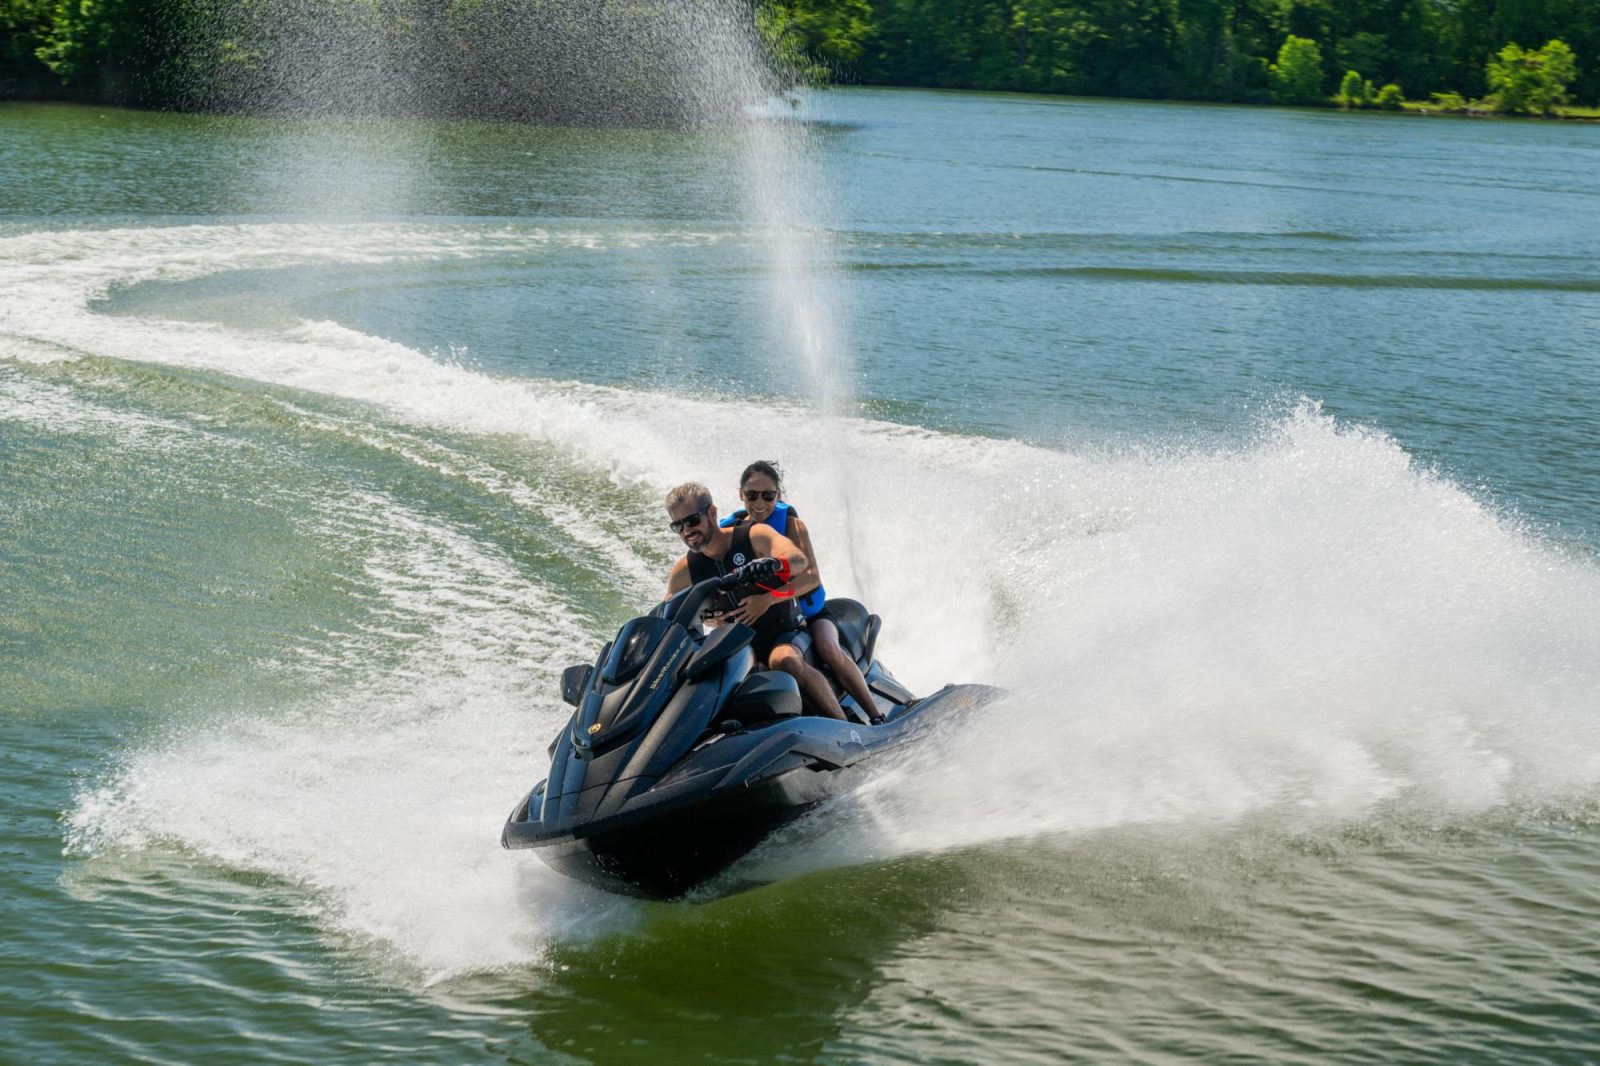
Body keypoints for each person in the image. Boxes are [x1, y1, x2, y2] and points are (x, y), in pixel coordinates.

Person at [663, 482, 848, 721]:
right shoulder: (685, 570)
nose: (687, 531)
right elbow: (668, 617)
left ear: (712, 513)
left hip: (788, 632)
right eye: (678, 526)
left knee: (783, 661)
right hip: (742, 650)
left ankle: (846, 727)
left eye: (692, 521)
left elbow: (798, 561)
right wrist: (707, 618)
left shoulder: (753, 535)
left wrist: (775, 564)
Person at [720, 461, 884, 725]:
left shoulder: (792, 525)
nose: (759, 503)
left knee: (828, 648)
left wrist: (768, 600)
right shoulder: (733, 533)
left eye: (767, 496)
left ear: (778, 495)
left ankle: (876, 717)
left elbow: (811, 577)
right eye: (752, 495)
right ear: (741, 494)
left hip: (810, 614)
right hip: (770, 624)